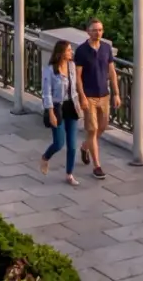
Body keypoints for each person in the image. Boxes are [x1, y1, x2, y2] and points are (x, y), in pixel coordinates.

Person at [73, 19, 118, 180]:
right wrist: (82, 97)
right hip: (89, 96)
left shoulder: (106, 48)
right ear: (88, 31)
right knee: (92, 130)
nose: (97, 33)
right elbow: (78, 77)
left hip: (104, 95)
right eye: (94, 30)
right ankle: (97, 166)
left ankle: (85, 147)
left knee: (102, 127)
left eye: (100, 30)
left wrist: (116, 93)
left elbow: (111, 72)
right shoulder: (81, 51)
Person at [38, 39, 85, 185]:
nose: (71, 52)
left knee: (72, 145)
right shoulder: (50, 71)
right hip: (57, 107)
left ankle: (69, 174)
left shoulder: (71, 66)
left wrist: (82, 99)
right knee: (59, 143)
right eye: (69, 50)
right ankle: (45, 157)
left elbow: (76, 83)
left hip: (71, 105)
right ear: (61, 53)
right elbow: (47, 93)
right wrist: (50, 112)